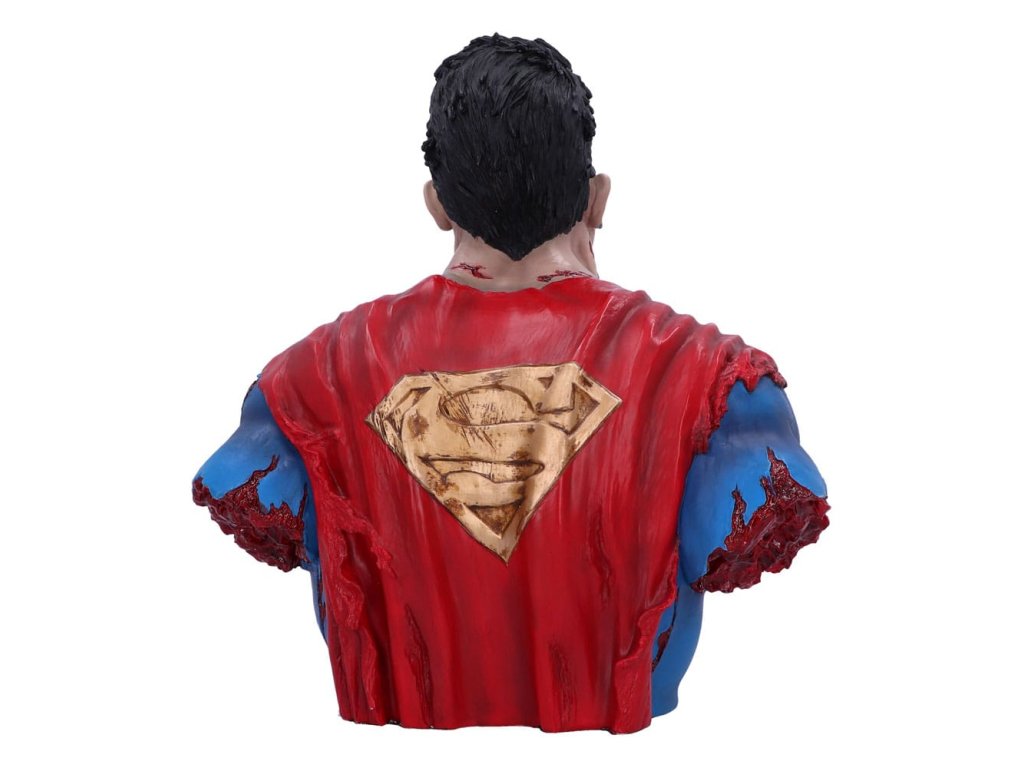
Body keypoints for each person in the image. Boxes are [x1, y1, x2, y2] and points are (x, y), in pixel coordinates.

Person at [192, 32, 830, 733]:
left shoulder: (301, 387)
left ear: (437, 205)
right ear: (598, 198)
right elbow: (728, 532)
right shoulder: (722, 386)